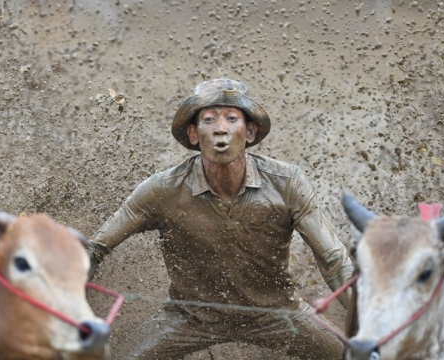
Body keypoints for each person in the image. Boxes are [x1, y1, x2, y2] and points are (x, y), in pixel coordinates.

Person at [87, 78, 353, 359]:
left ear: (249, 131)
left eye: (232, 118)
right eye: (209, 119)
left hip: (277, 314)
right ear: (193, 133)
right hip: (189, 319)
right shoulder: (162, 189)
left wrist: (367, 317)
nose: (221, 129)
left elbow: (335, 262)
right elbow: (94, 249)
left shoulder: (288, 183)